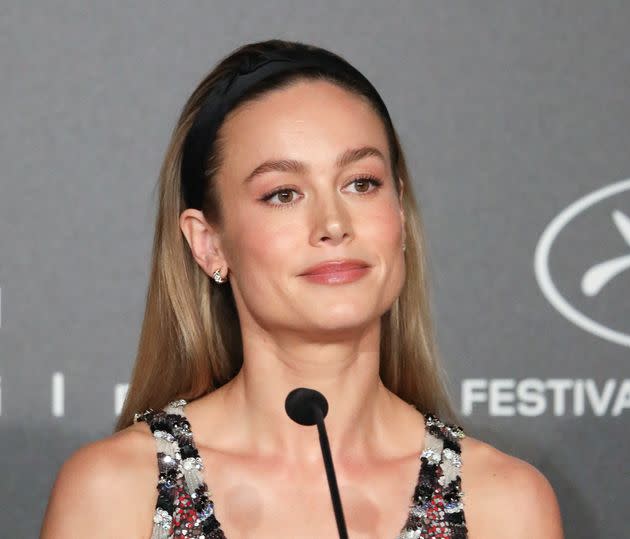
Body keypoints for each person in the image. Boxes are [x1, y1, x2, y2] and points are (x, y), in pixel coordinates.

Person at [40, 39, 564, 538]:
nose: (333, 224)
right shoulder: (117, 491)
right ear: (209, 244)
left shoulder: (502, 502)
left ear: (398, 214)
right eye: (283, 194)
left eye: (361, 183)